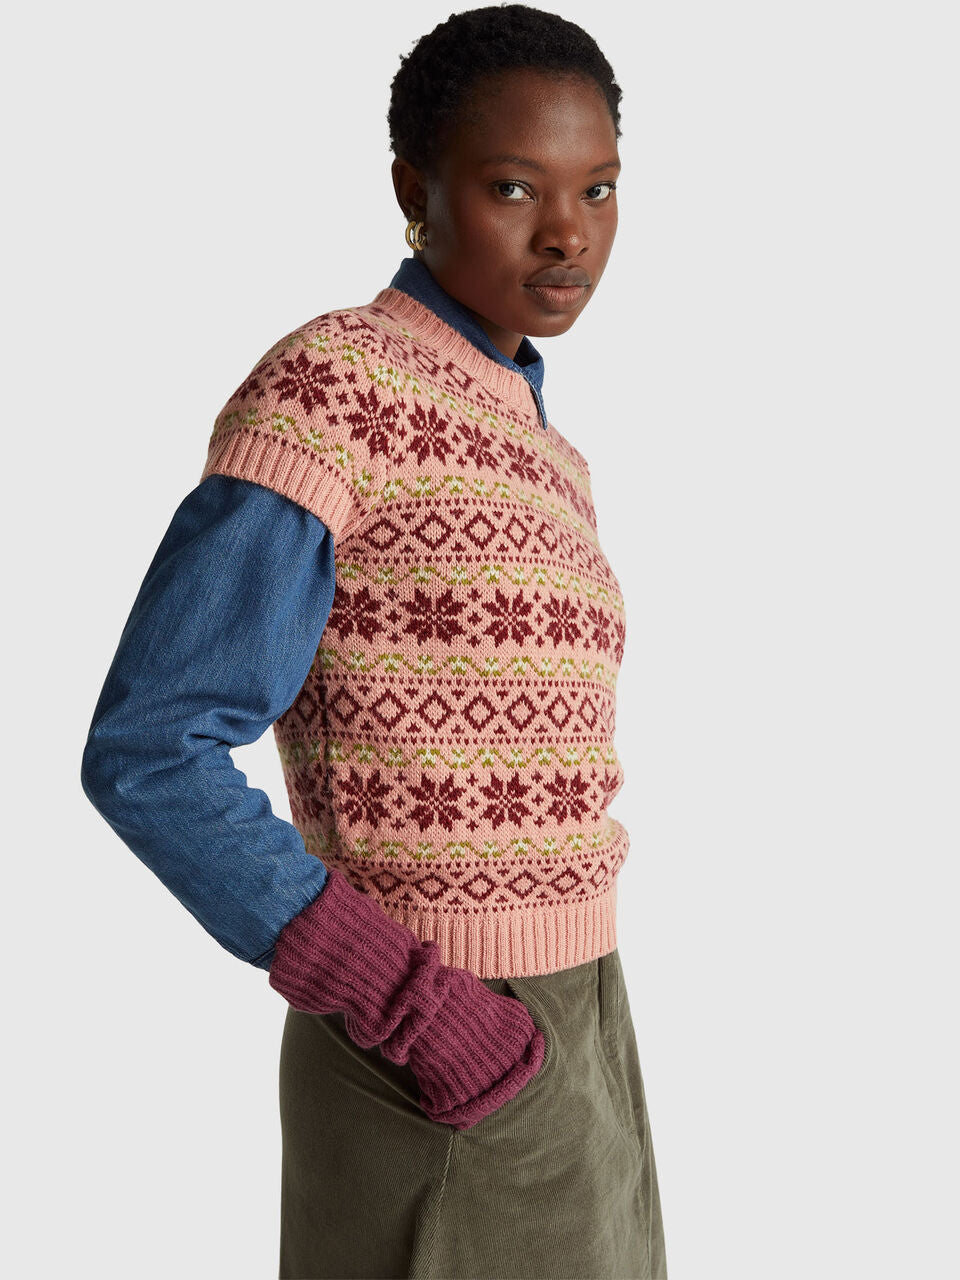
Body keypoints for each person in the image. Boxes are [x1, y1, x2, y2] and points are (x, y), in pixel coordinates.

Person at [80, 5, 668, 1277]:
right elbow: (152, 748)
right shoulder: (333, 388)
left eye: (599, 188)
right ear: (415, 190)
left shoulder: (548, 446)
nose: (567, 233)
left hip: (585, 1025)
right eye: (514, 187)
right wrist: (420, 1009)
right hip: (430, 1051)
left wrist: (564, 1037)